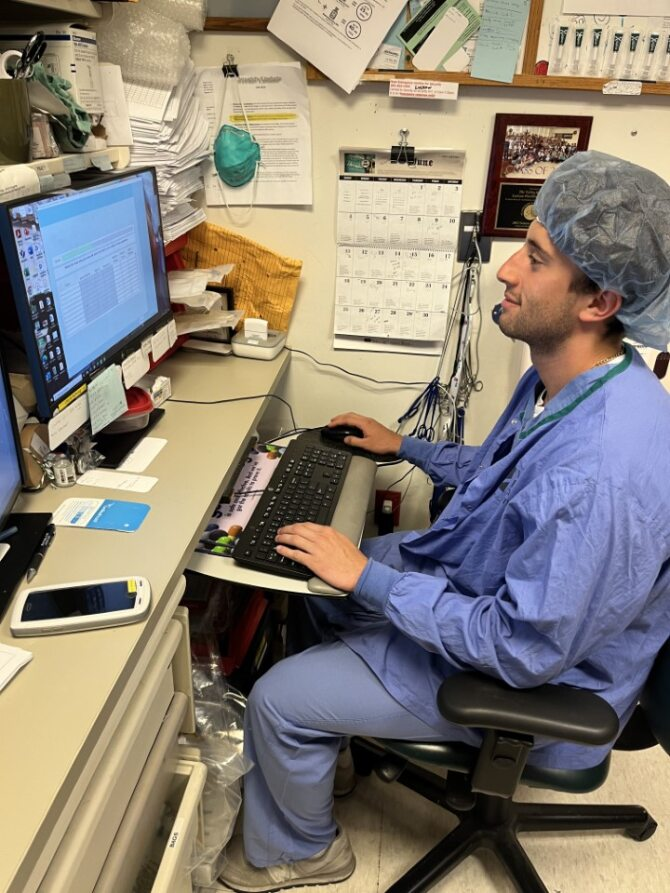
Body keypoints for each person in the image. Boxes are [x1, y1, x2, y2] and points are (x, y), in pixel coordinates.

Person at [220, 150, 670, 892]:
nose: (505, 271)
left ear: (600, 301)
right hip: (493, 595)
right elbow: (507, 471)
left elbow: (522, 650)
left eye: (535, 259)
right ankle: (322, 759)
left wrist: (368, 579)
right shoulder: (578, 377)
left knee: (279, 698)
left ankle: (303, 849)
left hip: (534, 683)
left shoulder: (601, 475)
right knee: (311, 583)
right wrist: (408, 447)